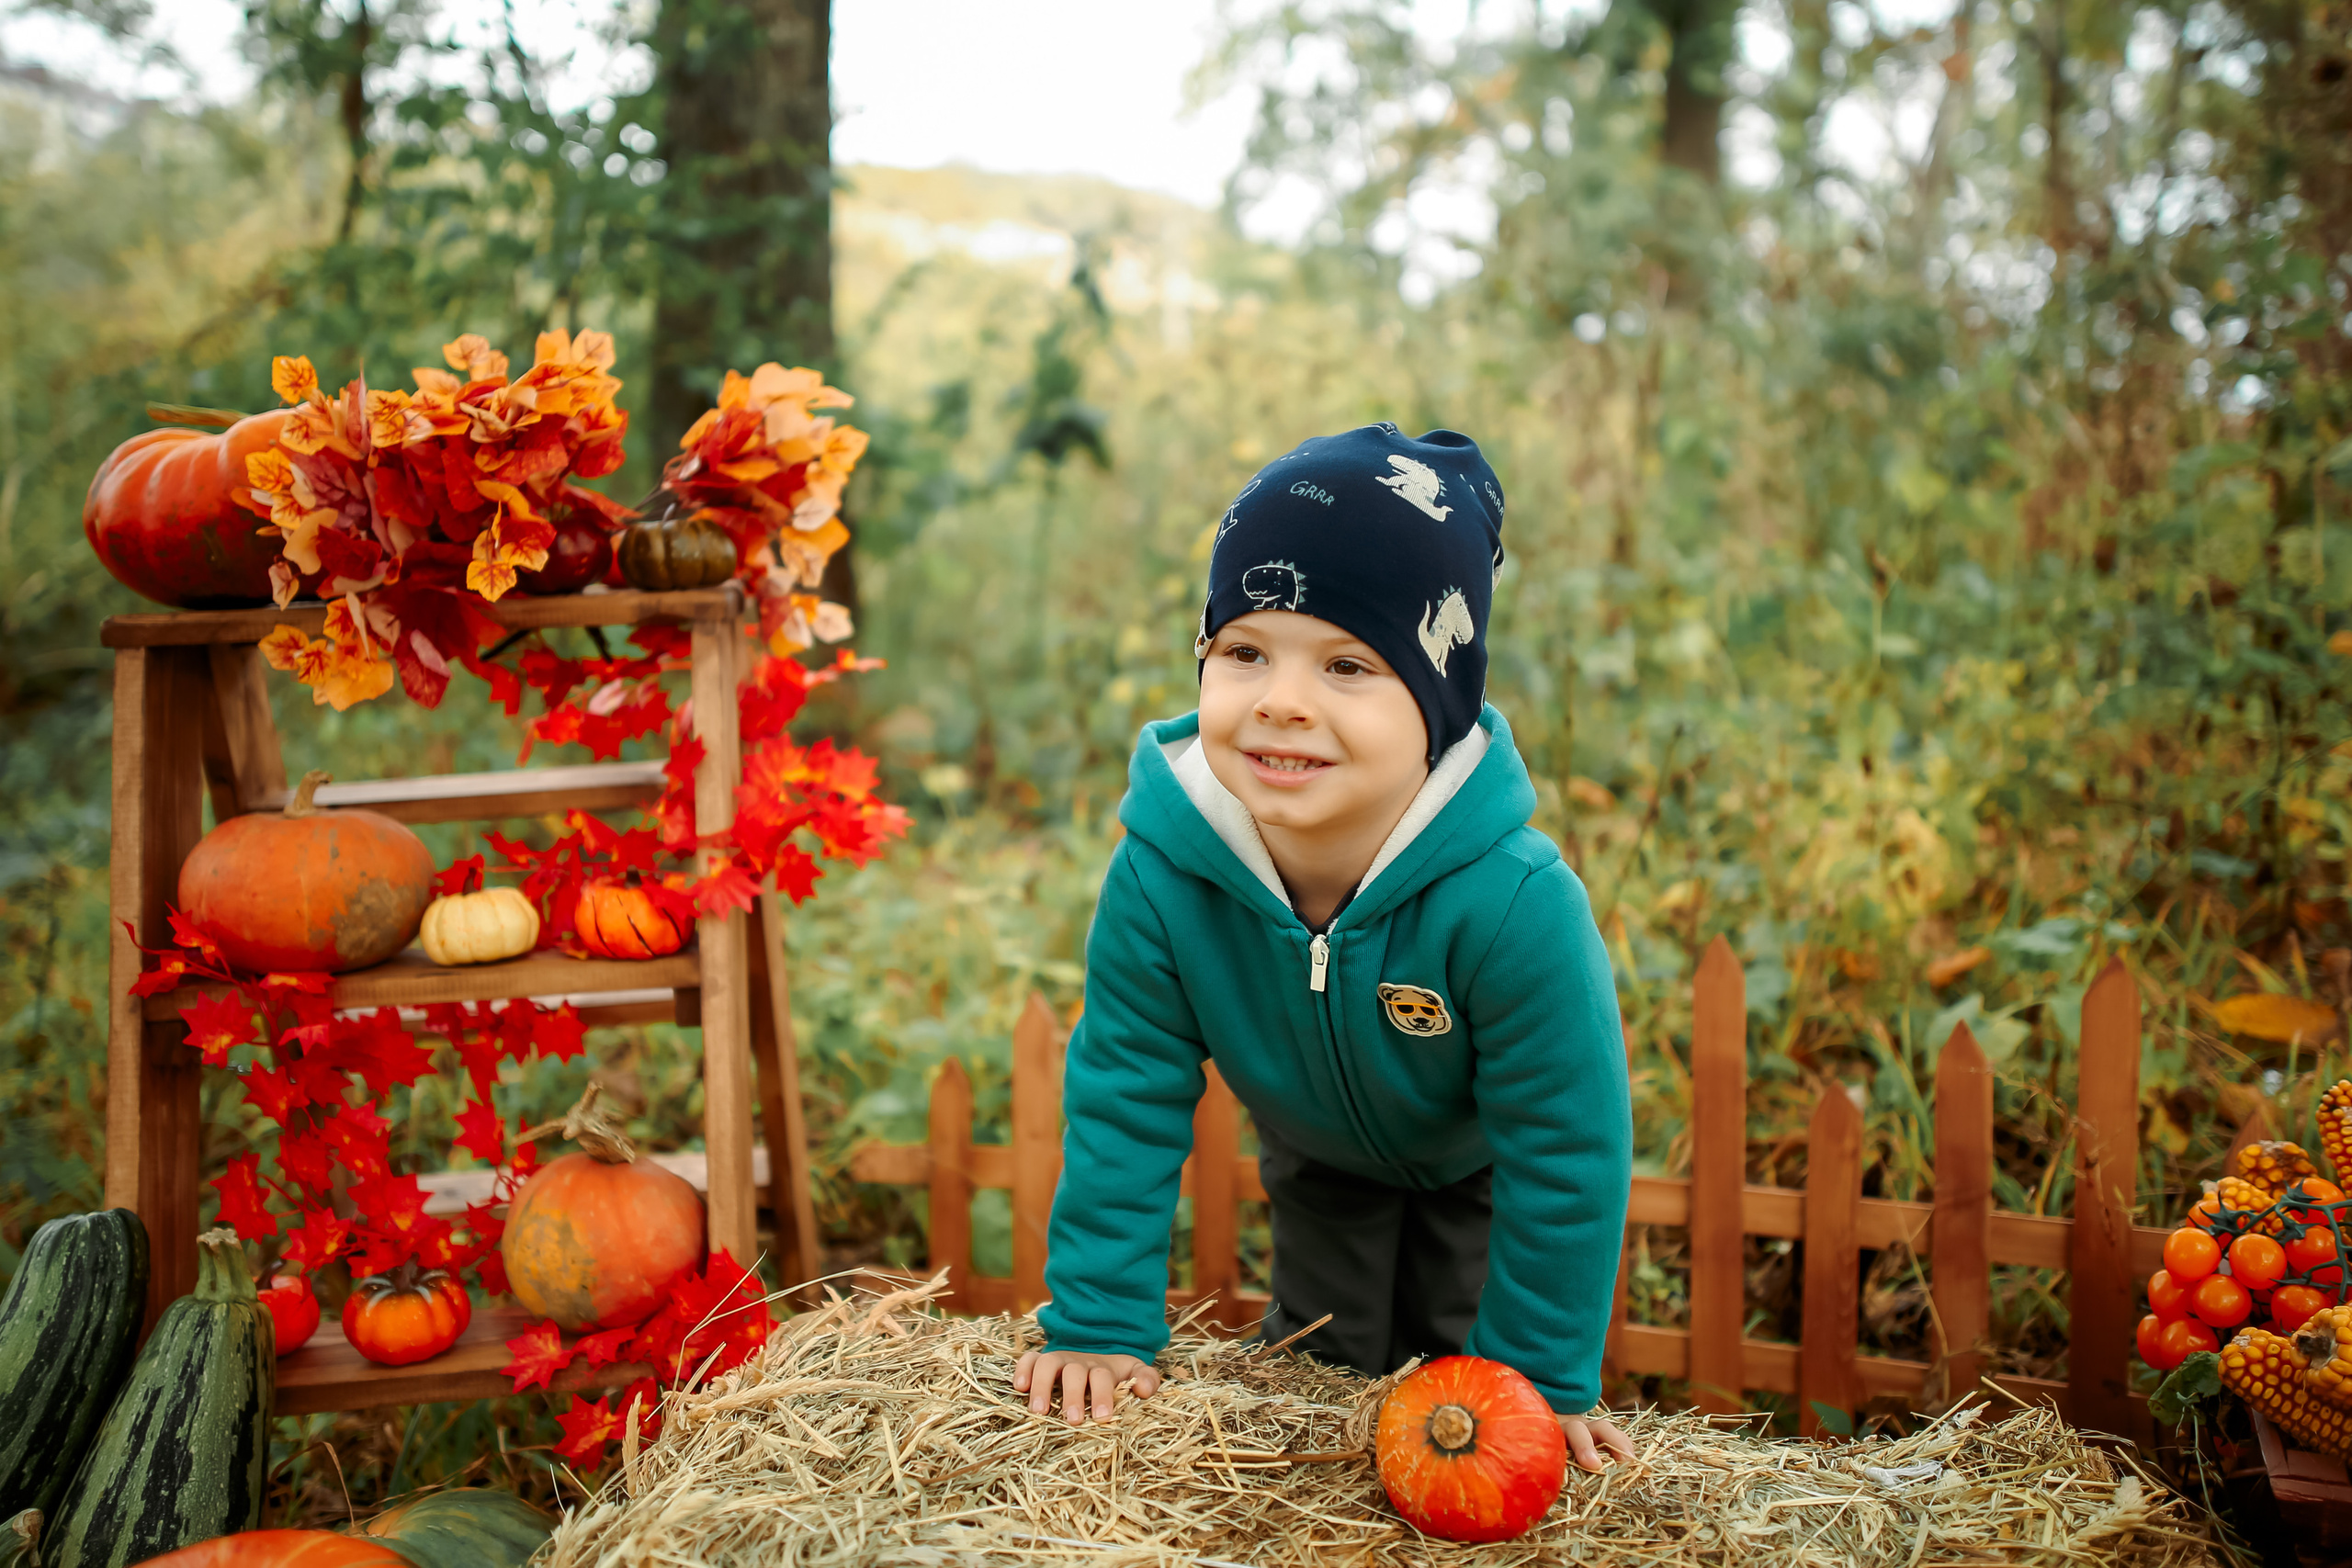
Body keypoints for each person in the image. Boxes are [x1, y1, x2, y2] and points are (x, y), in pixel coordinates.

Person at [1011, 424, 1635, 1472]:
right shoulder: (1167, 872)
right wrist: (1102, 1323)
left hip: (1476, 1168)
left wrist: (1540, 1383)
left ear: (1438, 706)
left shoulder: (1512, 900)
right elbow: (1125, 1090)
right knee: (1322, 1392)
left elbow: (1567, 1146)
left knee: (1462, 1406)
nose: (1281, 700)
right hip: (1318, 1159)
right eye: (1244, 651)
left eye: (1348, 663)